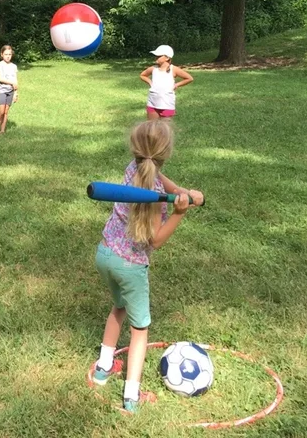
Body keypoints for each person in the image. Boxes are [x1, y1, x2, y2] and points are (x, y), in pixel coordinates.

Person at [90, 120, 204, 413]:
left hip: (105, 254)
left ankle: (103, 368)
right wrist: (179, 213)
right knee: (140, 329)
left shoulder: (135, 168)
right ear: (166, 152)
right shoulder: (154, 196)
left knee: (119, 307)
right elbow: (155, 240)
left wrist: (184, 192)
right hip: (130, 265)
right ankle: (131, 397)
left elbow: (160, 179)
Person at [139, 45, 193, 119]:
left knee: (165, 125)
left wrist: (176, 85)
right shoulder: (153, 69)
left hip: (167, 103)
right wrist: (150, 82)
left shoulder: (174, 69)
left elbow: (189, 78)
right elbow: (142, 75)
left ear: (167, 58)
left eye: (159, 56)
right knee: (152, 125)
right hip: (153, 103)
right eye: (156, 56)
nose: (156, 57)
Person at [0, 45, 18, 135]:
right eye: (6, 54)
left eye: (10, 54)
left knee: (6, 111)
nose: (8, 56)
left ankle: (2, 130)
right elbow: (1, 79)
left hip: (11, 91)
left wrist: (16, 93)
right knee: (1, 111)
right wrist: (12, 83)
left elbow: (15, 81)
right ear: (2, 54)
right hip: (2, 91)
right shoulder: (0, 65)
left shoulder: (14, 66)